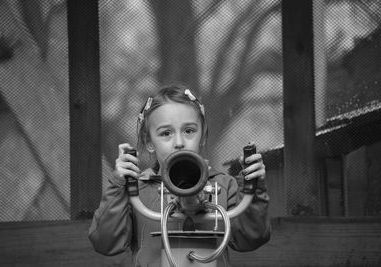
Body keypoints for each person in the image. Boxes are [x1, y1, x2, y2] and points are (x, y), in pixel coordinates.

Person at [89, 83, 271, 267]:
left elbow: (252, 237)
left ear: (203, 136)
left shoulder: (224, 186)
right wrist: (118, 185)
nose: (179, 142)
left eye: (189, 131)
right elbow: (105, 243)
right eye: (166, 133)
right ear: (149, 142)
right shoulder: (137, 189)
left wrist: (253, 187)